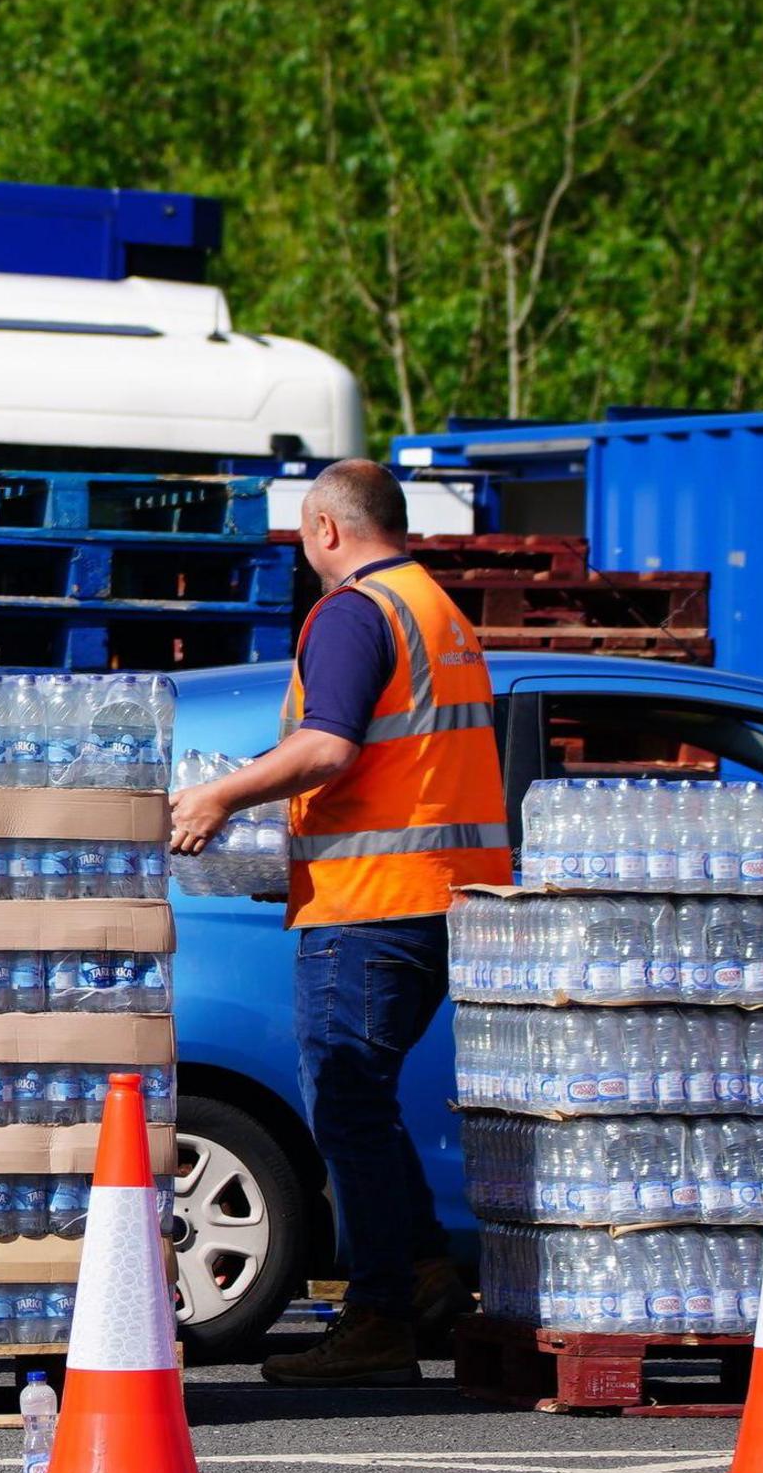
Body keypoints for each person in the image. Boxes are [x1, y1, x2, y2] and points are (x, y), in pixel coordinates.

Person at [169, 460, 509, 1386]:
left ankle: (379, 1316)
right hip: (440, 895)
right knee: (363, 1099)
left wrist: (218, 795)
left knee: (346, 1100)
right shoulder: (436, 607)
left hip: (373, 902)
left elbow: (327, 744)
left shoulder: (355, 612)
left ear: (325, 528)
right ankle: (429, 1272)